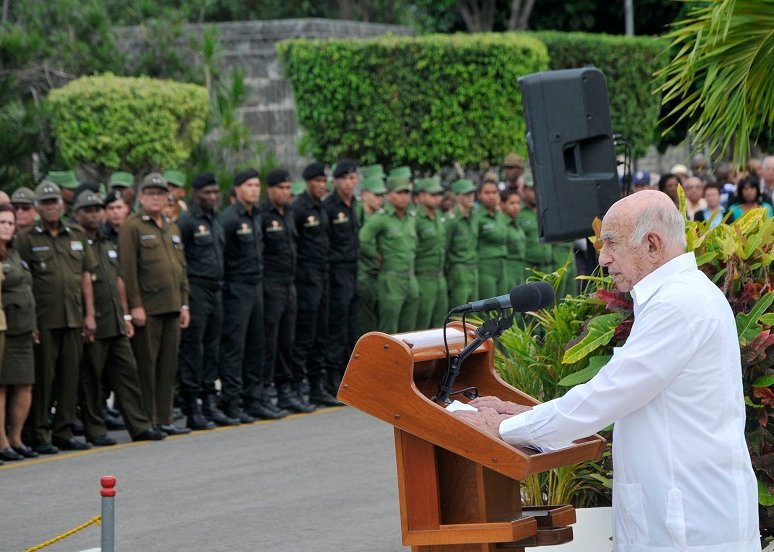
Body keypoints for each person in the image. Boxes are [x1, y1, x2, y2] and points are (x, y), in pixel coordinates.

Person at [454, 190, 760, 550]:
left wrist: (504, 428)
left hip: (689, 526)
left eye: (611, 243)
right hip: (683, 516)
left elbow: (609, 394)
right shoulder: (678, 295)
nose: (603, 259)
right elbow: (624, 394)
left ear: (651, 244)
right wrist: (529, 414)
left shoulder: (679, 303)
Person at [74, 191, 166, 445]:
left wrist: (125, 313)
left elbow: (119, 279)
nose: (94, 214)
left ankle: (139, 425)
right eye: (88, 210)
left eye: (96, 209)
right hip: (94, 321)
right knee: (92, 378)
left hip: (115, 318)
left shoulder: (106, 243)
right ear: (77, 214)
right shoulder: (76, 241)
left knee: (128, 373)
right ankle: (96, 430)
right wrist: (87, 317)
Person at [15, 180, 97, 453]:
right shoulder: (26, 238)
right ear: (38, 207)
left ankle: (64, 430)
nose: (51, 207)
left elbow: (85, 276)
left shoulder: (75, 234)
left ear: (62, 205)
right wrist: (32, 323)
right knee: (44, 379)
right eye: (46, 203)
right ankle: (41, 433)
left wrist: (90, 314)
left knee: (70, 376)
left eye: (55, 202)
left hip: (73, 316)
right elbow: (26, 281)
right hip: (45, 318)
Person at [119, 173, 191, 436]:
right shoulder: (133, 226)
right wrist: (135, 306)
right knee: (146, 367)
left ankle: (164, 418)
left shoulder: (171, 227)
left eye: (160, 194)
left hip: (172, 305)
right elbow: (128, 270)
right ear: (141, 197)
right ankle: (147, 420)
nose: (155, 198)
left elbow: (180, 268)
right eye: (150, 194)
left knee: (167, 365)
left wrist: (184, 304)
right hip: (148, 308)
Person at [175, 173, 236, 429]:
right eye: (206, 193)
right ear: (195, 193)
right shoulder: (187, 222)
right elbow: (181, 261)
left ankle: (210, 403)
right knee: (194, 349)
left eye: (215, 192)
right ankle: (192, 407)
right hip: (197, 289)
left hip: (216, 288)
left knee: (212, 348)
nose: (212, 197)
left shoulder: (216, 220)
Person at [259, 169, 312, 415]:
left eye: (288, 187)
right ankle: (264, 393)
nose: (285, 192)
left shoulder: (289, 213)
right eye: (280, 187)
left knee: (287, 340)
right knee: (269, 342)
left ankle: (285, 391)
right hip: (270, 284)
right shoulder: (262, 214)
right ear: (269, 189)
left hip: (290, 284)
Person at [289, 162, 340, 407]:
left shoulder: (321, 208)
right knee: (305, 336)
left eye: (324, 181)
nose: (322, 185)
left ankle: (318, 388)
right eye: (318, 181)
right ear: (308, 182)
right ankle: (299, 387)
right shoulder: (298, 208)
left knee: (322, 334)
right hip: (306, 279)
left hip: (323, 277)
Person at [217, 169, 265, 423]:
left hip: (256, 286)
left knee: (256, 345)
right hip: (236, 288)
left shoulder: (256, 216)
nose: (255, 189)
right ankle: (231, 402)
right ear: (237, 189)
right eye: (249, 185)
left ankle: (253, 399)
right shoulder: (229, 219)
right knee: (235, 346)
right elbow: (221, 257)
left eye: (257, 185)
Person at [359, 173, 419, 334]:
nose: (404, 197)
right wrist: (375, 255)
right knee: (389, 332)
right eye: (400, 192)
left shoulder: (412, 217)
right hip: (390, 279)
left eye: (407, 192)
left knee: (409, 332)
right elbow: (362, 240)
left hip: (410, 278)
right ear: (389, 195)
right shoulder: (382, 218)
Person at [0, 204, 37, 461]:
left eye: (10, 223)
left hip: (23, 326)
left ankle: (16, 438)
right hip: (4, 327)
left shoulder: (13, 253)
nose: (6, 227)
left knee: (24, 384)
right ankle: (2, 442)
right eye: (1, 222)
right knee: (1, 386)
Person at [322, 158, 360, 396]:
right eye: (344, 178)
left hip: (352, 270)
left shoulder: (353, 204)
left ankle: (349, 379)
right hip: (336, 272)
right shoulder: (329, 207)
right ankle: (332, 380)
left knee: (350, 327)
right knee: (336, 328)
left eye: (352, 178)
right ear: (336, 181)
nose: (349, 183)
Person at [413, 177, 448, 330]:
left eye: (438, 194)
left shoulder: (439, 216)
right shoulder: (415, 219)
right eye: (432, 194)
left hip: (440, 277)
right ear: (420, 196)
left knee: (440, 325)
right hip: (423, 277)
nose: (437, 198)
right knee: (422, 324)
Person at [356, 174, 388, 335]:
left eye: (382, 195)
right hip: (363, 274)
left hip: (377, 275)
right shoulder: (358, 214)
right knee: (366, 323)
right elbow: (360, 242)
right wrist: (376, 255)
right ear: (364, 195)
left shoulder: (379, 216)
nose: (380, 199)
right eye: (376, 195)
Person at [445, 179, 479, 306]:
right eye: (466, 194)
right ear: (457, 196)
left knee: (474, 313)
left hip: (473, 270)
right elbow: (444, 248)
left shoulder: (474, 215)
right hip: (458, 271)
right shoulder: (451, 220)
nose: (471, 197)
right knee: (459, 313)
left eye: (472, 194)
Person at [517, 171, 553, 276]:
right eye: (532, 189)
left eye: (537, 189)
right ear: (523, 190)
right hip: (528, 267)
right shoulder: (519, 214)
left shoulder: (546, 211)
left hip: (548, 266)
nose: (536, 193)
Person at [477, 178, 508, 298]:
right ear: (479, 195)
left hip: (502, 265)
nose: (491, 196)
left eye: (494, 192)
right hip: (485, 266)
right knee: (487, 305)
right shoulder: (477, 216)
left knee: (503, 304)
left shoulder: (500, 215)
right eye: (487, 193)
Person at [501, 189, 526, 286]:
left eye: (518, 203)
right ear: (502, 204)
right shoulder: (502, 223)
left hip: (519, 269)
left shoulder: (517, 223)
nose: (516, 206)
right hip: (507, 269)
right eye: (512, 203)